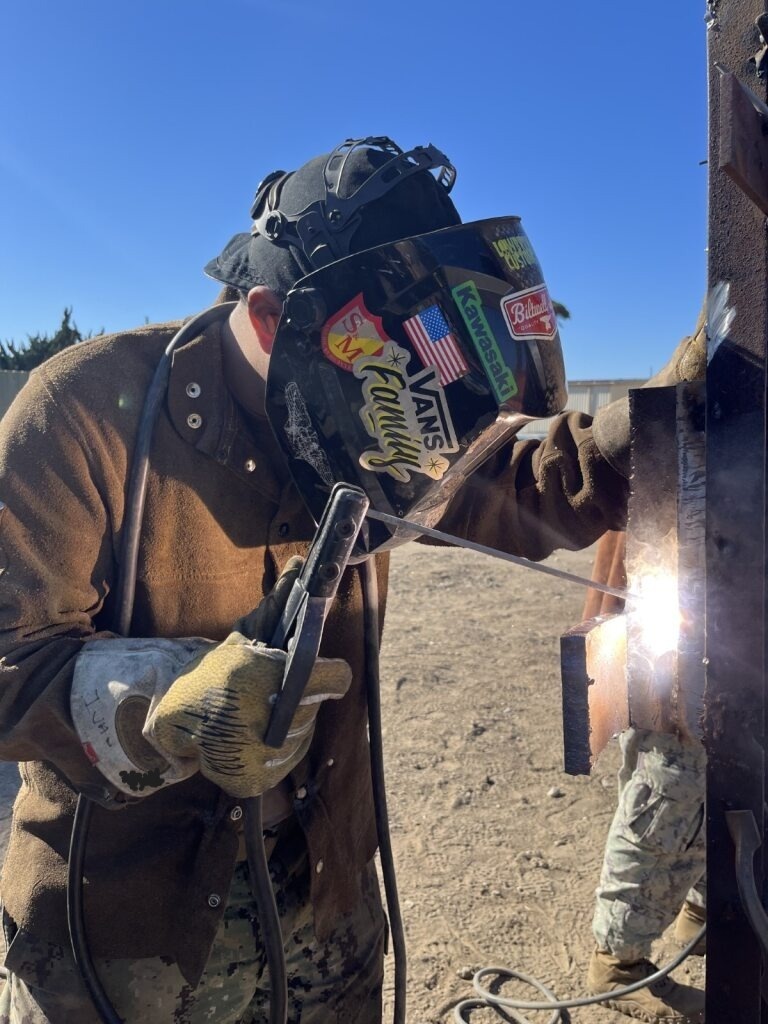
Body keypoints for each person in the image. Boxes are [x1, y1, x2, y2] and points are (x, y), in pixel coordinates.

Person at [0, 136, 699, 1024]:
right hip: (128, 937)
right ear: (266, 317)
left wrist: (636, 435)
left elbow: (499, 493)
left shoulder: (354, 409)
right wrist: (162, 699)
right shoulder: (82, 413)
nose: (402, 416)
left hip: (325, 897)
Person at [584, 529, 706, 1024]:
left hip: (733, 605)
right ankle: (617, 965)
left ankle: (701, 915)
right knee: (672, 793)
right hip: (684, 612)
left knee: (735, 781)